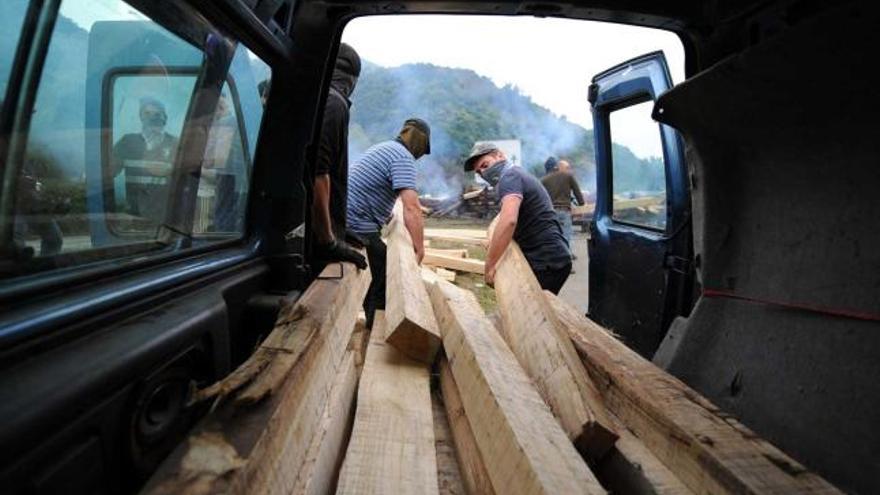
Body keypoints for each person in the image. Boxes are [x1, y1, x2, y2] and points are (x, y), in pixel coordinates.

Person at [347, 118, 432, 329]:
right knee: (386, 273)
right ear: (420, 142)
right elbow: (411, 207)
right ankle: (379, 330)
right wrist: (419, 248)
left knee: (379, 265)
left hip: (343, 217)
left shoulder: (385, 147)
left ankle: (372, 317)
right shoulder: (403, 157)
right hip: (356, 224)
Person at [465, 143, 572, 294]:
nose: (483, 172)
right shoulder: (516, 174)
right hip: (552, 258)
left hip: (546, 261)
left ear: (499, 155)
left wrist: (490, 265)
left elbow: (509, 220)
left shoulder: (509, 177)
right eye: (479, 171)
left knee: (530, 313)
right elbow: (502, 217)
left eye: (485, 165)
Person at [311, 42, 367, 273]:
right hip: (313, 238)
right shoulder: (334, 103)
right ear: (352, 80)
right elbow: (318, 175)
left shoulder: (317, 97)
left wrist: (340, 230)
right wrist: (328, 240)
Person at [112, 96, 179, 225]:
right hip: (135, 215)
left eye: (157, 113)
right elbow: (107, 171)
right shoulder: (127, 142)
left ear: (164, 117)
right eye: (147, 113)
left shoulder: (175, 143)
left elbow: (187, 176)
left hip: (167, 217)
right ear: (140, 117)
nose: (153, 117)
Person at [540, 158, 585, 262]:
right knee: (566, 236)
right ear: (556, 166)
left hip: (550, 212)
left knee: (554, 237)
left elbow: (541, 197)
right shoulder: (568, 176)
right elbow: (577, 192)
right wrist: (581, 204)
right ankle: (567, 262)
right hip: (564, 211)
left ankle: (555, 260)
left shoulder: (543, 180)